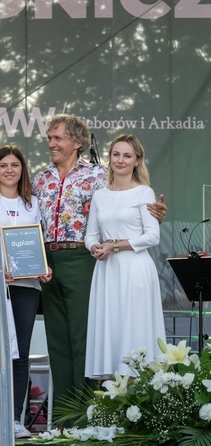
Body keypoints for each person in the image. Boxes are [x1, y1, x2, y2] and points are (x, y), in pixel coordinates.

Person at [32, 114, 167, 410]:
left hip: (82, 258)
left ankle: (85, 412)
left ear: (78, 142)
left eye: (57, 138)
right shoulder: (40, 179)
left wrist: (156, 213)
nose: (51, 143)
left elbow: (130, 207)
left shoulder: (97, 176)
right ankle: (64, 414)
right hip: (48, 260)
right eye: (50, 138)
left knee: (84, 337)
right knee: (57, 339)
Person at [0, 145, 51, 439]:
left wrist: (42, 267)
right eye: (3, 165)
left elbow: (36, 244)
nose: (9, 170)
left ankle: (16, 419)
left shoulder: (33, 203)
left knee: (21, 354)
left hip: (27, 287)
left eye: (15, 165)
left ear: (22, 170)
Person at [84, 134, 165, 379]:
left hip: (135, 271)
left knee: (135, 327)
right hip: (107, 271)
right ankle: (114, 395)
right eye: (116, 154)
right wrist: (95, 248)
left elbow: (152, 236)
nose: (120, 160)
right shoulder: (100, 195)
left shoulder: (144, 193)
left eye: (127, 155)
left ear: (137, 160)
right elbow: (91, 235)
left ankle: (137, 391)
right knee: (112, 329)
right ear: (109, 158)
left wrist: (115, 246)